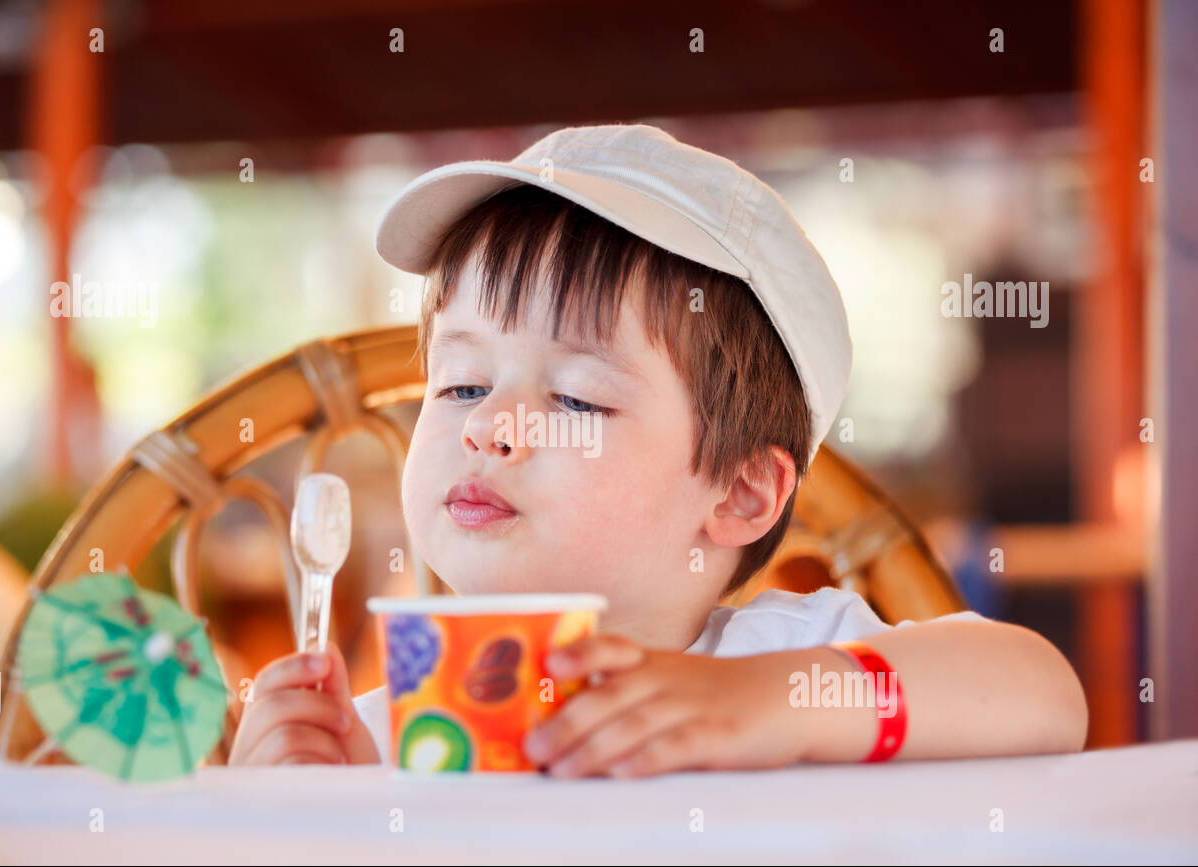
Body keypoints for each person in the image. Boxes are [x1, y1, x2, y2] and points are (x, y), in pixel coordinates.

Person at [228, 124, 1088, 776]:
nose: (489, 427)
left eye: (574, 398)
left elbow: (1044, 693)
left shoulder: (770, 664)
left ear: (741, 493)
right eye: (459, 384)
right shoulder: (377, 743)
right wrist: (295, 813)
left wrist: (760, 705)